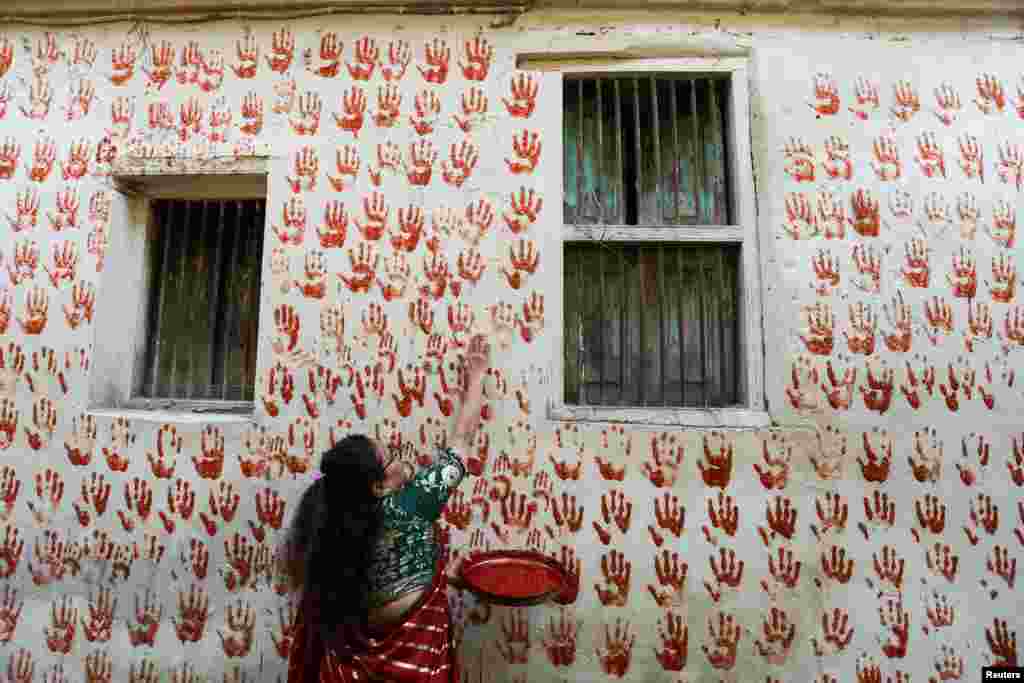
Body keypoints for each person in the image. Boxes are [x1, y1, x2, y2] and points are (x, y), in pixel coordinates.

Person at [283, 334, 491, 683]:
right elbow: (461, 443)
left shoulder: (329, 529)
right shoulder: (413, 506)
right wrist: (477, 376)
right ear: (378, 486)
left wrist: (442, 572)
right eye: (392, 456)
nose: (401, 456)